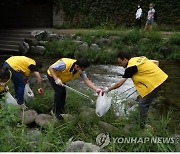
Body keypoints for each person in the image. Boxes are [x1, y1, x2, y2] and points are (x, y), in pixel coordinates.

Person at [104, 51, 168, 129]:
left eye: (120, 63)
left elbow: (119, 84)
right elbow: (156, 62)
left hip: (155, 83)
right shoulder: (137, 59)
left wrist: (108, 89)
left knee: (142, 104)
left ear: (125, 60)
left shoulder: (130, 68)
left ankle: (141, 126)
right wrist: (152, 75)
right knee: (144, 102)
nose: (120, 65)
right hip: (161, 78)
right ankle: (141, 120)